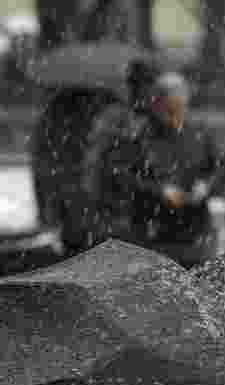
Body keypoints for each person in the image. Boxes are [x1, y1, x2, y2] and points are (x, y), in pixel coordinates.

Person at [114, 72, 225, 269]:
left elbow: (220, 166)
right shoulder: (140, 137)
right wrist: (160, 191)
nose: (175, 116)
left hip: (195, 231)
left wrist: (205, 186)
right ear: (157, 104)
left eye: (179, 108)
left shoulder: (199, 134)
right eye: (169, 109)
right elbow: (124, 177)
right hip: (153, 233)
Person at [81, 59, 162, 252]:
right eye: (137, 85)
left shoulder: (157, 119)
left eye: (147, 84)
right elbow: (96, 157)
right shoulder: (114, 117)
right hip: (115, 201)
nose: (143, 91)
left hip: (142, 201)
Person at [30, 86, 117, 251]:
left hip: (77, 205)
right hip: (79, 204)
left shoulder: (53, 126)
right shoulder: (64, 132)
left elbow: (42, 172)